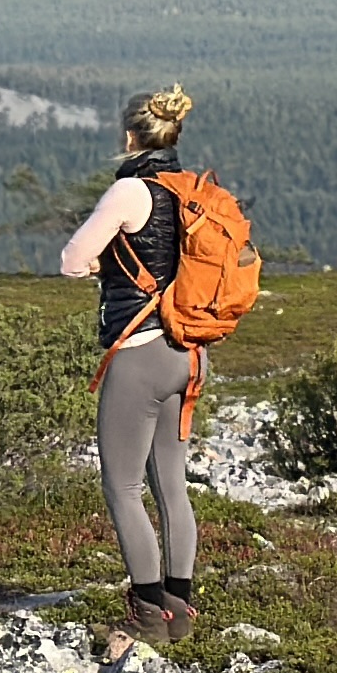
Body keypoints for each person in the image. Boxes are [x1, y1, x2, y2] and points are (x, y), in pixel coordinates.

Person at [58, 84, 206, 634]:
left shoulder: (130, 192)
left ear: (129, 136)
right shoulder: (191, 190)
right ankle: (182, 611)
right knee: (172, 484)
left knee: (122, 486)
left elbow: (74, 259)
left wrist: (102, 270)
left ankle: (149, 614)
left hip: (139, 353)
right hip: (189, 352)